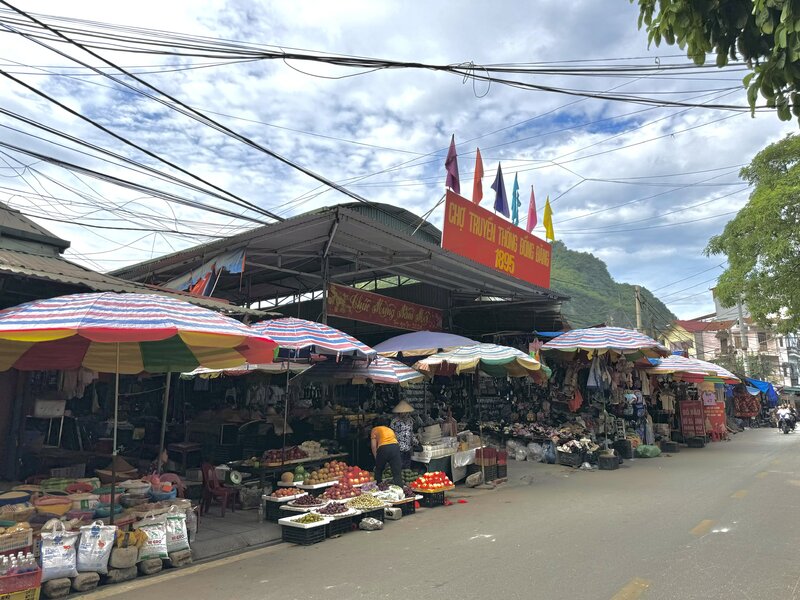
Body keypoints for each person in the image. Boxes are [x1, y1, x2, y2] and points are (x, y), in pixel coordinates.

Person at [371, 416, 403, 486]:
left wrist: (377, 458)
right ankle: (400, 490)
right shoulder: (390, 429)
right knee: (397, 472)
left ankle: (378, 487)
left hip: (383, 447)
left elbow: (373, 446)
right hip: (395, 447)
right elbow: (394, 440)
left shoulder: (374, 429)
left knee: (379, 470)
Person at [390, 400, 415, 469]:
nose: (406, 414)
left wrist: (415, 441)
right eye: (404, 413)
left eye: (407, 413)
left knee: (407, 467)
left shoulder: (410, 421)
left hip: (408, 448)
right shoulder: (395, 422)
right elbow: (391, 434)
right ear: (400, 413)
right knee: (399, 466)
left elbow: (411, 433)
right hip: (398, 448)